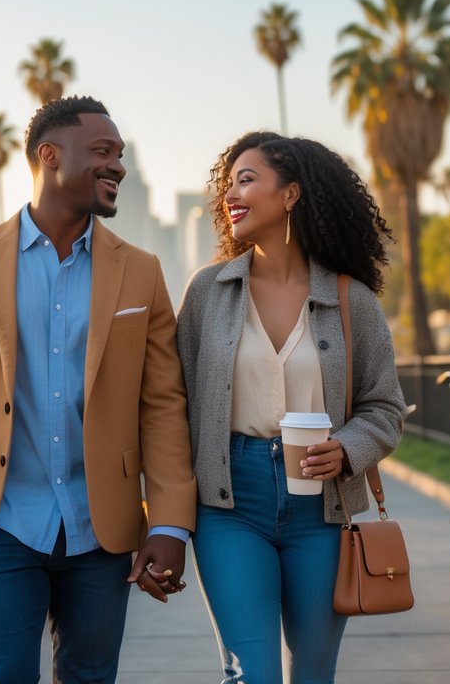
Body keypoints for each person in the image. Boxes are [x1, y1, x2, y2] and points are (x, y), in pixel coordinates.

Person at [0, 95, 197, 683]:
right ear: (49, 156)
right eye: (102, 152)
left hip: (103, 531)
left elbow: (162, 404)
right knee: (2, 676)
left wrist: (168, 523)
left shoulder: (141, 271)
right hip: (0, 525)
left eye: (120, 155)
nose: (117, 166)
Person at [176, 131, 407, 684]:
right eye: (228, 184)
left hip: (322, 511)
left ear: (292, 194)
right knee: (249, 673)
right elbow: (173, 403)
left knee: (313, 674)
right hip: (230, 507)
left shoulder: (352, 301)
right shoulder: (208, 293)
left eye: (247, 180)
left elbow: (385, 408)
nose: (232, 194)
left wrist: (348, 449)